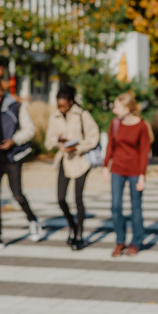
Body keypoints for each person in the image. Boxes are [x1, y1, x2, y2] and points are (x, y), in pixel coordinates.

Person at [0, 79, 42, 251]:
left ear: (3, 91)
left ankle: (33, 220)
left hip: (12, 157)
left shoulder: (16, 107)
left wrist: (14, 140)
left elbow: (29, 130)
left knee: (17, 194)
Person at [45, 85, 100, 250]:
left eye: (64, 105)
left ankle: (79, 234)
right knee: (61, 199)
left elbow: (94, 137)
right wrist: (59, 141)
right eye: (58, 105)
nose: (61, 109)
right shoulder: (54, 117)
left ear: (70, 102)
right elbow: (48, 142)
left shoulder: (82, 114)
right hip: (64, 160)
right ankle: (72, 224)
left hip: (81, 161)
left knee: (78, 198)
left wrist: (77, 146)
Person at [102, 92, 151, 257]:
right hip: (117, 169)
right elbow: (110, 145)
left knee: (136, 208)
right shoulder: (115, 123)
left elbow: (144, 152)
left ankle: (136, 242)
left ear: (127, 108)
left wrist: (142, 176)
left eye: (117, 107)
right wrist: (105, 166)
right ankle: (120, 241)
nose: (114, 110)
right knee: (115, 206)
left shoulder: (142, 126)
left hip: (135, 172)